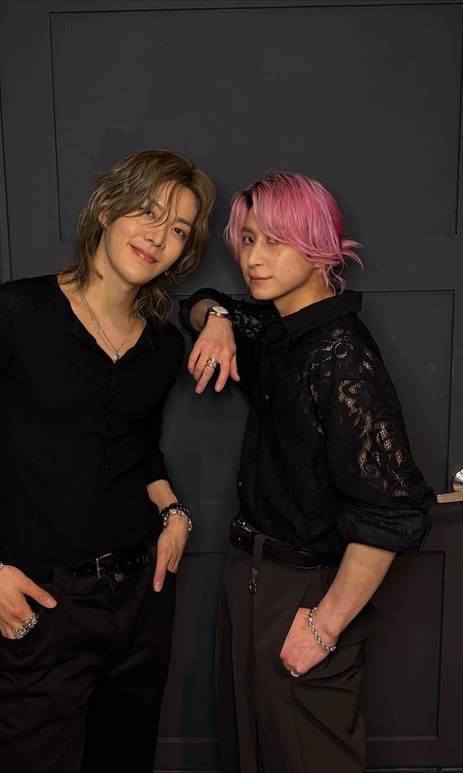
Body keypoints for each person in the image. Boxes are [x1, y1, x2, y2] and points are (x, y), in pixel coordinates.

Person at [0, 149, 216, 773]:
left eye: (178, 228)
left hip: (144, 600)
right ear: (107, 208)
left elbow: (140, 451)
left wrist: (174, 511)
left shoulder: (162, 345)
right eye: (147, 211)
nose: (158, 237)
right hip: (43, 604)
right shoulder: (10, 314)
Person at [179, 172, 434, 773]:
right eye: (248, 240)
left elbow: (393, 510)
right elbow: (194, 304)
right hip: (249, 575)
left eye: (275, 242)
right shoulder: (277, 329)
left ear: (318, 246)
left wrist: (324, 626)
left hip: (305, 592)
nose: (253, 259)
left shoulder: (341, 354)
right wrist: (218, 318)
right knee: (249, 755)